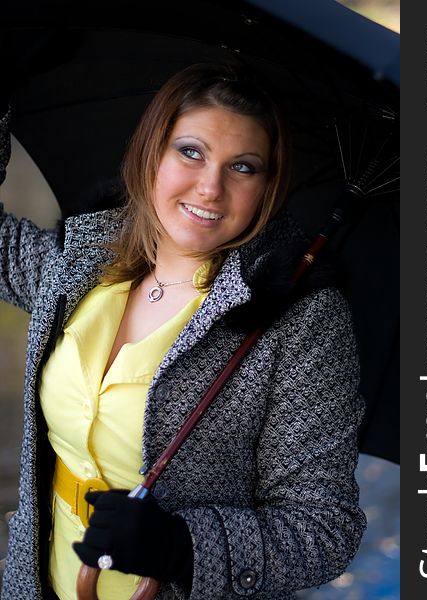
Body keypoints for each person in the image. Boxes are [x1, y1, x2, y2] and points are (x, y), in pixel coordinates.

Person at [0, 61, 366, 600]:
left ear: (268, 186)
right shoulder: (83, 258)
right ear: (152, 151)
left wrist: (182, 547)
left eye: (243, 167)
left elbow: (323, 528)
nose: (210, 187)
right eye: (190, 151)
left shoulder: (299, 321)